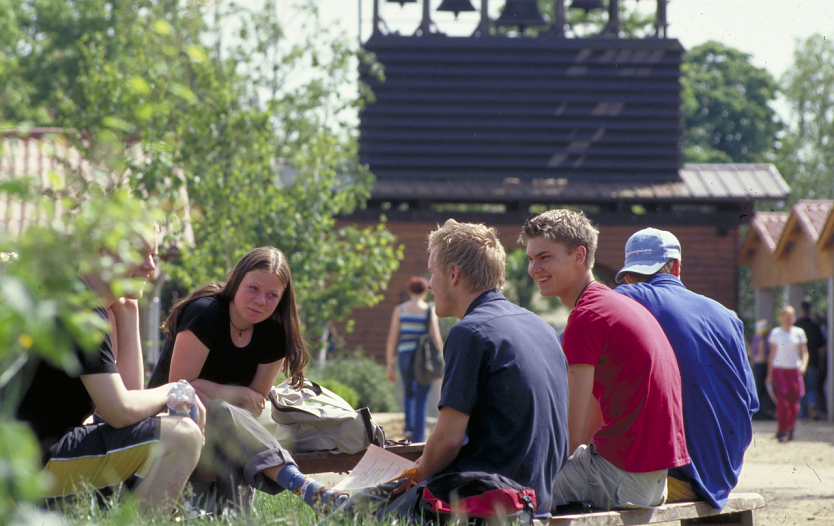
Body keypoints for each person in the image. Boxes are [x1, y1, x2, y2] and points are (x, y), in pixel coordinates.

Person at [13, 228, 205, 511]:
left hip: (31, 460)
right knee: (182, 435)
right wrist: (173, 389)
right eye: (139, 252)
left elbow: (127, 403)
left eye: (153, 255)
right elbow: (119, 411)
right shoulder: (81, 309)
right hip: (26, 468)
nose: (150, 266)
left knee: (171, 430)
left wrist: (129, 313)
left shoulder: (80, 299)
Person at [149, 247, 345, 514]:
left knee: (223, 414)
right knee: (219, 410)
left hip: (228, 432)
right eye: (253, 288)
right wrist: (237, 394)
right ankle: (301, 485)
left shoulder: (275, 333)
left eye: (272, 295)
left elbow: (254, 404)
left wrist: (217, 393)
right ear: (237, 281)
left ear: (281, 299)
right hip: (170, 422)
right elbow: (179, 389)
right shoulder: (205, 313)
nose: (261, 301)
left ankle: (233, 517)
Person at [397, 219, 569, 519]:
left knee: (366, 506)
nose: (429, 283)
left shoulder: (471, 333)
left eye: (432, 272)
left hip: (491, 501)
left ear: (453, 274)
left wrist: (411, 478)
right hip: (538, 500)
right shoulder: (540, 326)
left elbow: (448, 441)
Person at [520, 210, 689, 511]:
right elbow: (588, 424)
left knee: (505, 490)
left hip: (620, 479)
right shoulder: (612, 303)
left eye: (544, 257)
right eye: (530, 259)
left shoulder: (587, 318)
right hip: (652, 479)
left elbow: (569, 436)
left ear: (579, 255)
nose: (534, 268)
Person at [613, 227, 759, 509]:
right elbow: (751, 403)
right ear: (677, 266)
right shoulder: (728, 317)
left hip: (672, 478)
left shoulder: (627, 299)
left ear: (628, 277)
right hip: (723, 475)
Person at [385, 276, 444, 443]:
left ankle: (408, 429)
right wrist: (441, 358)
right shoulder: (428, 310)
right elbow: (436, 337)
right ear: (425, 291)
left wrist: (390, 364)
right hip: (422, 357)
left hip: (404, 355)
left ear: (410, 290)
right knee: (422, 395)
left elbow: (392, 338)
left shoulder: (400, 309)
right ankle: (418, 437)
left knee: (408, 392)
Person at [767, 305, 808, 442]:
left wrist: (803, 365)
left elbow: (804, 352)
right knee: (782, 402)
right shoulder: (776, 333)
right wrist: (769, 374)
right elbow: (772, 354)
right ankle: (783, 429)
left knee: (794, 402)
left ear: (793, 318)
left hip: (794, 369)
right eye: (784, 317)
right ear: (780, 318)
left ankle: (791, 426)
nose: (787, 320)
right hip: (780, 369)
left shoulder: (799, 332)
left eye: (789, 317)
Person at [795, 300, 827, 420]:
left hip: (798, 363)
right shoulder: (815, 325)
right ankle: (813, 405)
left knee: (800, 388)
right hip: (813, 362)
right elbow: (822, 348)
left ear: (800, 310)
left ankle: (802, 414)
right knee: (812, 388)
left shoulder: (796, 325)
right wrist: (821, 363)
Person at [751, 319, 776, 420]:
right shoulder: (761, 340)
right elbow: (762, 356)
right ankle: (760, 413)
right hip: (762, 366)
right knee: (762, 390)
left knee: (759, 389)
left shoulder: (755, 339)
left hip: (757, 365)